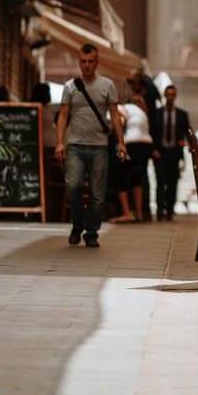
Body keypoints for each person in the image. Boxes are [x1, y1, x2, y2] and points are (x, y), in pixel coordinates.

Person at [56, 44, 127, 248]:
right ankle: (78, 224)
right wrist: (60, 142)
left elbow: (114, 115)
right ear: (79, 62)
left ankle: (92, 232)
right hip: (75, 146)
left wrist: (121, 142)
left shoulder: (107, 85)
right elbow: (63, 116)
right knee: (73, 187)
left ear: (97, 63)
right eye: (83, 61)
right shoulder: (70, 86)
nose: (86, 65)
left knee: (97, 193)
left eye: (90, 61)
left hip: (99, 147)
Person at [152, 84, 190, 220]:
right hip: (160, 152)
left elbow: (187, 132)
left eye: (172, 95)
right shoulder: (157, 113)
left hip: (174, 152)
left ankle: (169, 210)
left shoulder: (182, 115)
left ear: (175, 96)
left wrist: (189, 145)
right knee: (161, 182)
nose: (170, 97)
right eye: (168, 95)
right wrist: (153, 149)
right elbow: (152, 132)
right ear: (165, 96)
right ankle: (160, 211)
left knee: (173, 183)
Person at [113, 99, 153, 223]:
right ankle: (139, 214)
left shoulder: (121, 107)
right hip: (146, 144)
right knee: (138, 178)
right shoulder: (142, 112)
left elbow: (121, 118)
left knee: (120, 176)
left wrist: (120, 139)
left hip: (132, 142)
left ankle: (126, 213)